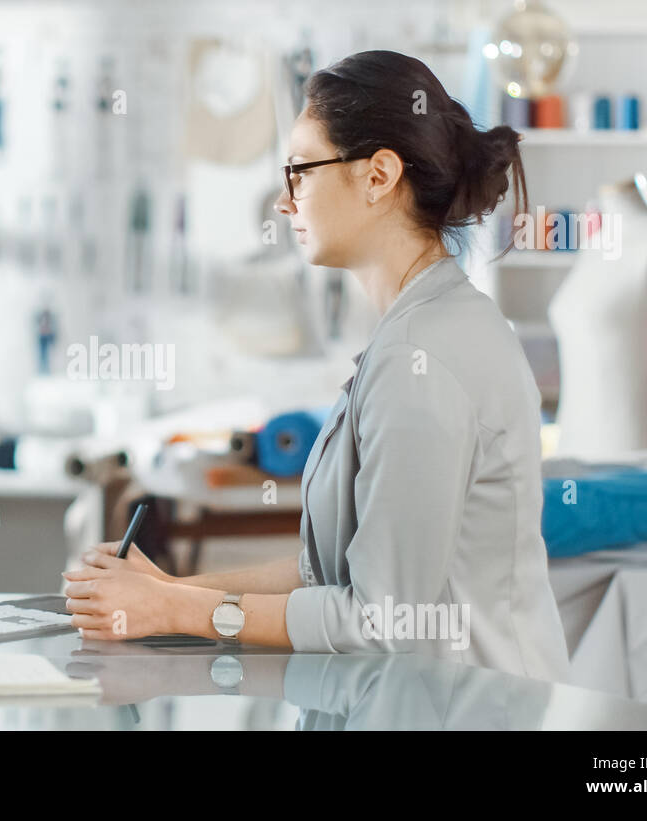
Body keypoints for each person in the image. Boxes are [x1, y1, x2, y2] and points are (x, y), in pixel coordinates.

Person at [63, 50, 571, 684]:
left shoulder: (425, 356)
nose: (283, 200)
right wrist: (167, 587)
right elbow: (331, 571)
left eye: (300, 170)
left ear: (379, 176)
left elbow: (380, 620)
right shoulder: (417, 331)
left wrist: (178, 608)